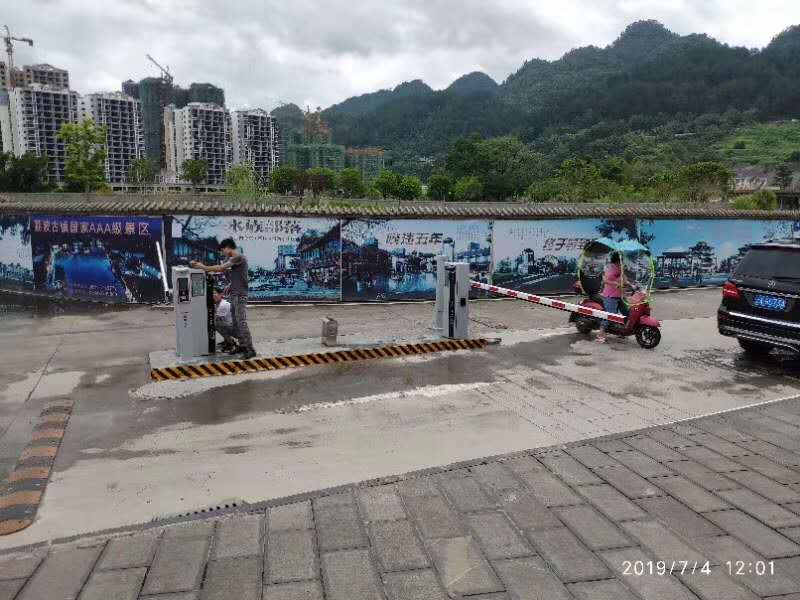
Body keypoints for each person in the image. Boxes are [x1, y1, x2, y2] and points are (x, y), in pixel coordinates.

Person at [191, 239, 256, 359]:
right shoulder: (232, 258)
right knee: (236, 322)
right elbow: (235, 273)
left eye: (222, 250)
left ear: (227, 247)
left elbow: (221, 268)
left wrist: (204, 267)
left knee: (241, 322)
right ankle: (242, 345)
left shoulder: (238, 257)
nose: (223, 253)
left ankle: (250, 349)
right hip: (234, 294)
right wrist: (230, 285)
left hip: (240, 295)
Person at [597, 251, 623, 343]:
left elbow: (624, 279)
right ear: (616, 260)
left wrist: (631, 284)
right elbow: (605, 280)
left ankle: (620, 331)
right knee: (610, 314)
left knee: (625, 313)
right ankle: (600, 333)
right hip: (610, 295)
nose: (621, 261)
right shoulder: (610, 268)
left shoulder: (620, 267)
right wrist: (616, 283)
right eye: (620, 259)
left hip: (620, 295)